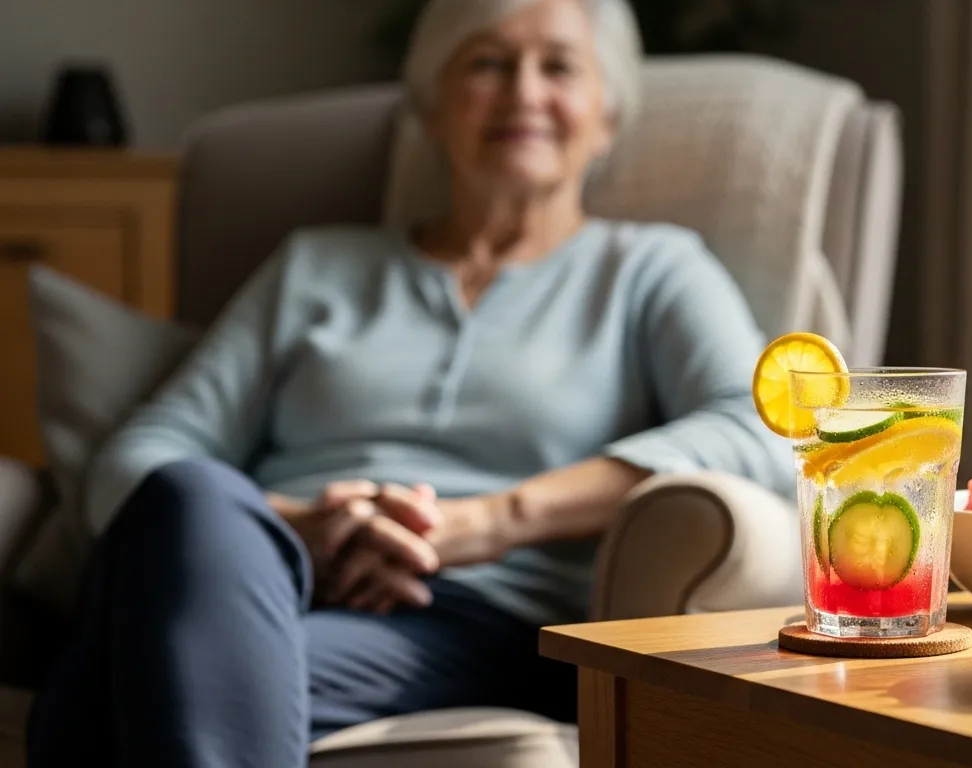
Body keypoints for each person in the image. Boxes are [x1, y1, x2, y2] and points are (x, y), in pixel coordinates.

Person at [25, 0, 792, 764]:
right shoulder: (314, 267)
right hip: (261, 585)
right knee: (190, 495)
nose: (524, 93)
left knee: (116, 681)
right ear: (430, 105)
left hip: (479, 619)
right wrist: (298, 529)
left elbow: (762, 428)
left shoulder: (651, 271)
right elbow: (143, 454)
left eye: (558, 66)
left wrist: (489, 521)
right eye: (488, 64)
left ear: (607, 117)